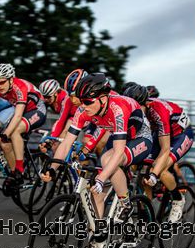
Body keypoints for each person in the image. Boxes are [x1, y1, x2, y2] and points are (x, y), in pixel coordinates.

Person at [41, 73, 153, 227]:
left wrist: (101, 179)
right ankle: (98, 238)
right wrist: (53, 168)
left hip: (140, 137)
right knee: (96, 195)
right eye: (81, 102)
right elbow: (66, 143)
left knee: (108, 160)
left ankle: (125, 205)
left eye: (87, 102)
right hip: (119, 135)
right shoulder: (84, 110)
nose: (82, 106)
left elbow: (119, 153)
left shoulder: (117, 109)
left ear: (103, 99)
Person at [124, 84, 194, 222]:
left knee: (159, 169)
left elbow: (165, 149)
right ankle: (148, 216)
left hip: (181, 134)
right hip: (160, 133)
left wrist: (154, 174)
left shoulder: (158, 110)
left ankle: (178, 200)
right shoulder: (136, 112)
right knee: (144, 173)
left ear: (147, 104)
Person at [0, 63, 46, 184]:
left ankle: (19, 168)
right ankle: (15, 174)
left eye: (2, 82)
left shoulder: (20, 87)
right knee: (3, 141)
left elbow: (18, 115)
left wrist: (6, 133)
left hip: (37, 111)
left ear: (11, 80)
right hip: (23, 111)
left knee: (13, 132)